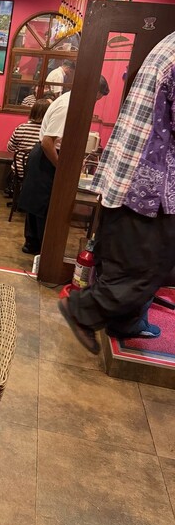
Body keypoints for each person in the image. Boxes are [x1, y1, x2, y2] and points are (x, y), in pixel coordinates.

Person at [58, 31, 175, 355]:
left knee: (125, 262)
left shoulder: (168, 43)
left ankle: (124, 323)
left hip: (131, 178)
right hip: (150, 187)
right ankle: (82, 310)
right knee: (144, 269)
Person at [18, 75, 109, 255]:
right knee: (43, 206)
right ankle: (42, 251)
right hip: (46, 156)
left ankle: (35, 246)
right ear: (91, 91)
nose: (94, 103)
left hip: (48, 154)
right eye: (96, 99)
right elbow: (47, 143)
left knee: (40, 205)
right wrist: (62, 169)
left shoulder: (70, 99)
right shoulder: (67, 106)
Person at [7, 98, 51, 179]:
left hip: (19, 172)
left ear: (32, 112)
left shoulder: (21, 128)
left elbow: (10, 149)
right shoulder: (48, 133)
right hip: (37, 175)